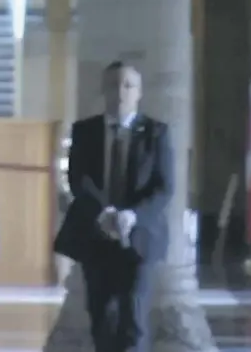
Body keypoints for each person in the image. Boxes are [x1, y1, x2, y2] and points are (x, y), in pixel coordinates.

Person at [54, 61, 173, 352]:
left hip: (139, 238)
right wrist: (103, 214)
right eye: (113, 85)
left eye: (128, 85)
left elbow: (164, 186)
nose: (120, 92)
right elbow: (78, 179)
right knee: (102, 320)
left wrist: (132, 216)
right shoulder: (85, 131)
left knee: (133, 320)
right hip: (97, 237)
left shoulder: (156, 133)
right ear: (103, 90)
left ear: (139, 92)